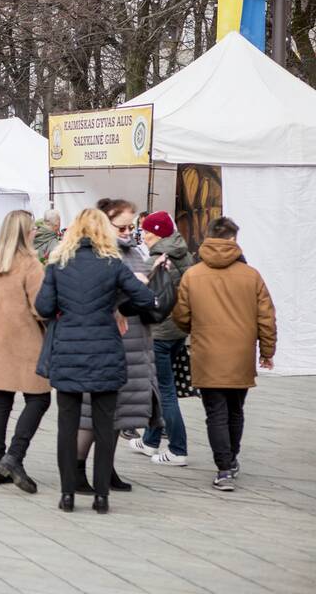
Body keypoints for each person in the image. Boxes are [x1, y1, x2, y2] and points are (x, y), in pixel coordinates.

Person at [35, 208, 155, 514]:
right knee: (105, 426)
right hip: (105, 352)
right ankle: (101, 496)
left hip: (69, 353)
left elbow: (44, 307)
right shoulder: (113, 264)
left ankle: (67, 494)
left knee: (67, 426)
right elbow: (144, 298)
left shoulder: (58, 264)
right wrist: (116, 309)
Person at [173, 217, 276, 492]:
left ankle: (224, 467)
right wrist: (267, 351)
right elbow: (266, 316)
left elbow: (181, 315)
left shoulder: (192, 275)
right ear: (233, 239)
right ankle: (232, 458)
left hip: (206, 353)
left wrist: (196, 329)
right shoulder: (251, 275)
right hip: (241, 353)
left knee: (215, 413)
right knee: (235, 410)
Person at [73, 198, 157, 494]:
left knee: (118, 414)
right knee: (89, 415)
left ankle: (106, 468)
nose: (127, 231)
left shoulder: (133, 251)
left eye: (131, 226)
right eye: (121, 225)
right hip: (107, 344)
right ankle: (78, 469)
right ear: (105, 223)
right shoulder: (98, 255)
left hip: (135, 344)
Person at [0, 210, 49, 493]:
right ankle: (14, 455)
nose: (37, 233)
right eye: (34, 229)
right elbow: (42, 308)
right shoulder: (31, 264)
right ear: (26, 233)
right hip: (25, 341)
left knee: (0, 400)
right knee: (39, 399)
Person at [127, 211, 194, 466]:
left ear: (157, 233)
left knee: (165, 391)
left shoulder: (158, 258)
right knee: (160, 387)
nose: (142, 235)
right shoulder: (183, 253)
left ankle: (178, 449)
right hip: (177, 330)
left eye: (146, 231)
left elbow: (141, 292)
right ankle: (150, 441)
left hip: (160, 332)